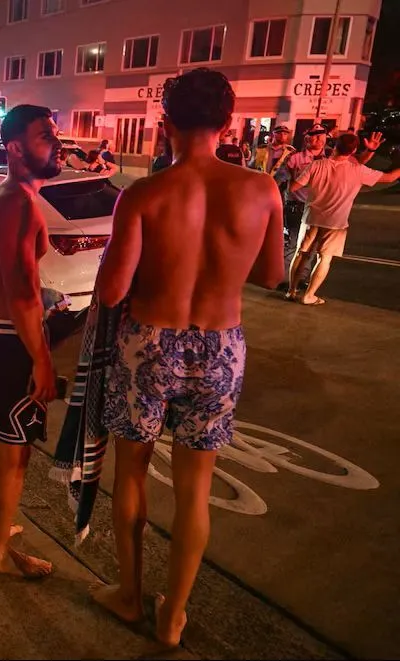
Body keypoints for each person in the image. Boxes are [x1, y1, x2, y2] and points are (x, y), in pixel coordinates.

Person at [91, 68, 284, 647]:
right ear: (229, 124)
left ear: (165, 122)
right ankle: (174, 615)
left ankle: (128, 594)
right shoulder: (262, 190)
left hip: (150, 338)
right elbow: (274, 274)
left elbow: (110, 290)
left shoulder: (144, 195)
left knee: (131, 470)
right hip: (221, 343)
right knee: (195, 487)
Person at [0, 104, 62, 580]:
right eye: (46, 136)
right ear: (16, 148)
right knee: (13, 452)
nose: (57, 143)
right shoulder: (20, 203)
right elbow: (23, 290)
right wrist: (41, 359)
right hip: (11, 342)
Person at [286, 133, 400, 305]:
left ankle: (291, 291)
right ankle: (309, 296)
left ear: (334, 146)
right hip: (336, 222)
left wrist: (290, 174)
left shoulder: (316, 165)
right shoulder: (358, 170)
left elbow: (293, 187)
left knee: (301, 254)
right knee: (324, 258)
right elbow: (390, 177)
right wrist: (371, 151)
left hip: (311, 217)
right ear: (354, 150)